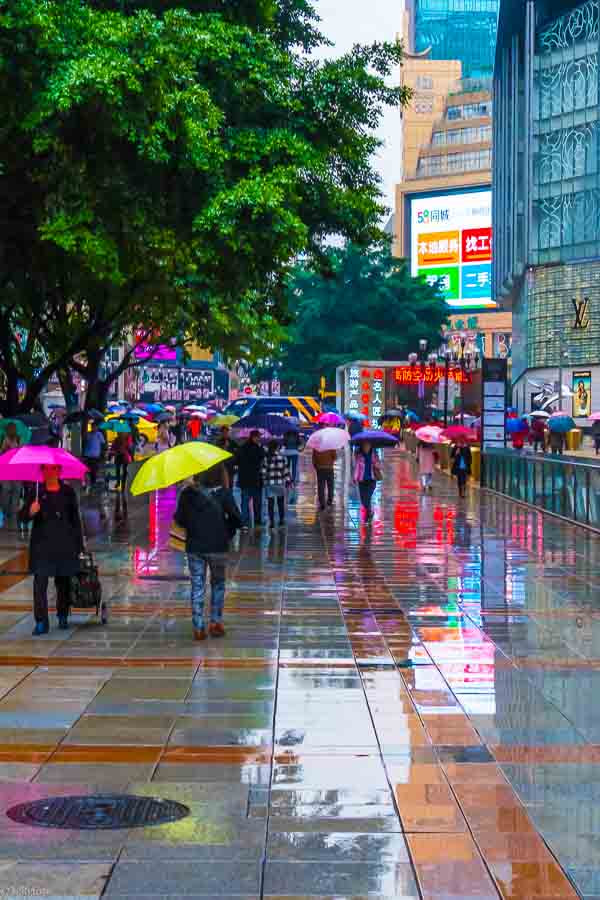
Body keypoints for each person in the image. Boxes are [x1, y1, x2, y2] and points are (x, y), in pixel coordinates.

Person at [174, 467, 242, 640]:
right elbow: (237, 519)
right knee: (218, 584)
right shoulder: (223, 494)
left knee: (197, 585)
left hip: (195, 546)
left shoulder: (187, 494)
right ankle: (216, 622)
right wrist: (227, 532)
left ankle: (198, 627)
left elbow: (179, 519)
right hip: (218, 545)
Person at [20, 464, 84, 635]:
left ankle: (62, 614)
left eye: (53, 469)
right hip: (42, 546)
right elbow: (23, 517)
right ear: (42, 471)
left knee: (63, 583)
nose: (50, 472)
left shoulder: (68, 492)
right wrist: (30, 512)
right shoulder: (36, 491)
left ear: (59, 471)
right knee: (39, 583)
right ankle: (41, 621)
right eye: (46, 469)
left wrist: (79, 546)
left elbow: (75, 521)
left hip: (64, 544)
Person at [236, 430, 265, 529]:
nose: (259, 439)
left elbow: (237, 461)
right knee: (257, 503)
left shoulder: (242, 448)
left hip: (244, 480)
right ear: (254, 437)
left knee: (245, 502)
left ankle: (245, 522)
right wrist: (261, 448)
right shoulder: (258, 449)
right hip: (256, 480)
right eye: (258, 437)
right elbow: (262, 459)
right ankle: (257, 521)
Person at [261, 439, 291, 528]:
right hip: (280, 483)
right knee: (280, 502)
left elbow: (263, 472)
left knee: (270, 503)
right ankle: (281, 520)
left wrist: (263, 481)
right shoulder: (282, 458)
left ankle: (272, 522)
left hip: (270, 483)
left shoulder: (266, 458)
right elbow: (285, 471)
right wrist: (288, 481)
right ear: (277, 447)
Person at [353, 440, 382, 522]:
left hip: (372, 479)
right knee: (363, 500)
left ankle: (368, 514)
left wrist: (376, 464)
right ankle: (369, 512)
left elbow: (379, 464)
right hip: (362, 479)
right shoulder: (358, 453)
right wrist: (355, 477)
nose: (366, 447)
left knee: (367, 498)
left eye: (368, 445)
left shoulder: (374, 453)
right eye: (364, 445)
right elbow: (357, 466)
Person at [0, 422, 22, 518]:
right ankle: (9, 513)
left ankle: (9, 513)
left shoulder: (17, 438)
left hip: (11, 469)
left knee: (10, 491)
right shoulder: (5, 439)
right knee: (11, 491)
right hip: (11, 469)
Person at [312, 445, 337, 510]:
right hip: (329, 468)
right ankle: (329, 501)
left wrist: (316, 466)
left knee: (321, 486)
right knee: (330, 485)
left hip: (320, 468)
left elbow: (313, 458)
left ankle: (322, 503)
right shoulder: (331, 446)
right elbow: (335, 457)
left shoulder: (316, 446)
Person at [83, 421, 106, 489]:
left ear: (97, 427)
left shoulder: (99, 434)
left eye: (95, 427)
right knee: (88, 469)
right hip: (88, 455)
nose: (94, 428)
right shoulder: (88, 434)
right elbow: (85, 442)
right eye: (93, 427)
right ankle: (89, 482)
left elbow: (103, 444)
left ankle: (93, 483)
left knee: (94, 469)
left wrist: (102, 453)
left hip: (95, 455)